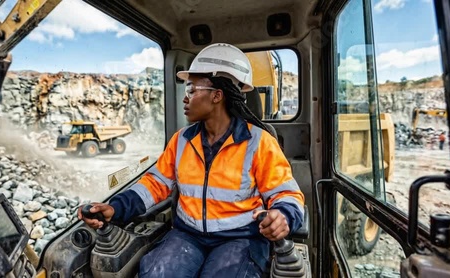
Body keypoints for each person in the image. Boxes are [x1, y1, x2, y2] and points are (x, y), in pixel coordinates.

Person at [78, 43, 305, 277]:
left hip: (240, 238)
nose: (185, 99)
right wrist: (115, 207)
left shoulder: (259, 142)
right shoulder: (182, 140)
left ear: (217, 96)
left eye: (191, 90)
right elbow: (155, 184)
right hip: (188, 235)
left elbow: (287, 194)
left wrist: (283, 215)